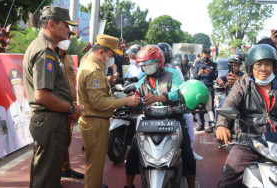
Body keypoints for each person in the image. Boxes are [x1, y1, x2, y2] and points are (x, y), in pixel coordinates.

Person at [215, 44, 277, 188]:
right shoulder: (242, 85)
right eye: (258, 64)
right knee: (229, 178)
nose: (263, 69)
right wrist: (222, 125)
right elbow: (228, 105)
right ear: (251, 67)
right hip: (248, 144)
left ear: (274, 66)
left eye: (268, 64)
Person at [22, 6, 82, 188]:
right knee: (47, 176)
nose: (69, 31)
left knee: (45, 171)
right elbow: (42, 96)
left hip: (51, 120)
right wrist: (71, 109)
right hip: (49, 120)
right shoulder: (45, 52)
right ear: (51, 24)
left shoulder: (48, 49)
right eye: (65, 25)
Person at [124, 45, 197, 188]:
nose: (147, 67)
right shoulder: (142, 80)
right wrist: (132, 98)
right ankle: (128, 184)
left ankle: (191, 185)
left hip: (173, 118)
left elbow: (179, 92)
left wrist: (160, 97)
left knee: (187, 151)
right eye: (144, 64)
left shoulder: (173, 73)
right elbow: (136, 93)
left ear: (160, 61)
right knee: (133, 149)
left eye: (150, 63)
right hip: (150, 121)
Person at [77, 34, 139, 187]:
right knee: (95, 164)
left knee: (94, 162)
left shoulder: (89, 64)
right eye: (111, 54)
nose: (112, 59)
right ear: (101, 52)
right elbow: (99, 102)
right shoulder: (93, 70)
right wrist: (126, 101)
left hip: (92, 120)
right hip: (95, 121)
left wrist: (106, 80)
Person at [56, 32, 85, 180]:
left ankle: (65, 168)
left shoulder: (67, 58)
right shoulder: (50, 57)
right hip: (56, 105)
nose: (67, 40)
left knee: (66, 139)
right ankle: (53, 176)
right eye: (65, 36)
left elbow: (71, 81)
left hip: (68, 104)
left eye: (69, 37)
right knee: (56, 143)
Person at [7, 68, 32, 151]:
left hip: (32, 143)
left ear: (23, 87)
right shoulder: (10, 110)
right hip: (18, 148)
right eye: (15, 88)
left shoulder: (31, 104)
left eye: (19, 87)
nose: (17, 91)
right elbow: (10, 134)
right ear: (12, 90)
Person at [193, 49, 218, 133]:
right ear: (201, 56)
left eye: (206, 57)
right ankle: (201, 125)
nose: (205, 59)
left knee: (210, 107)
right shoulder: (198, 64)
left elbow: (215, 77)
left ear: (209, 56)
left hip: (209, 87)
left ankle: (211, 125)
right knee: (200, 106)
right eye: (203, 57)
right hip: (200, 87)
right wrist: (199, 74)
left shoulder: (214, 65)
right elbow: (194, 77)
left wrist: (210, 73)